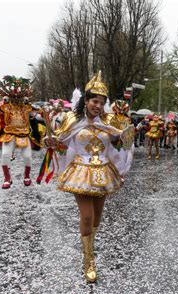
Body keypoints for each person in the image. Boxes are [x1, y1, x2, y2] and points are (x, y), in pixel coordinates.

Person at [49, 71, 133, 282]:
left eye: (102, 102)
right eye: (95, 101)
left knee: (97, 216)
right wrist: (51, 143)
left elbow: (116, 143)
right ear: (86, 100)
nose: (98, 105)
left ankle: (90, 245)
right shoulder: (72, 119)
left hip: (103, 172)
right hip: (80, 172)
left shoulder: (109, 120)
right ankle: (88, 259)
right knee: (86, 216)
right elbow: (62, 142)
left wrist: (125, 138)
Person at [0, 76, 40, 189]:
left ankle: (27, 176)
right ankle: (7, 178)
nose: (16, 99)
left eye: (19, 97)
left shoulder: (26, 107)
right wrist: (3, 100)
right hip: (9, 133)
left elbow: (37, 112)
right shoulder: (6, 106)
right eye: (13, 97)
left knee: (27, 156)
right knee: (5, 154)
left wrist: (43, 113)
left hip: (24, 133)